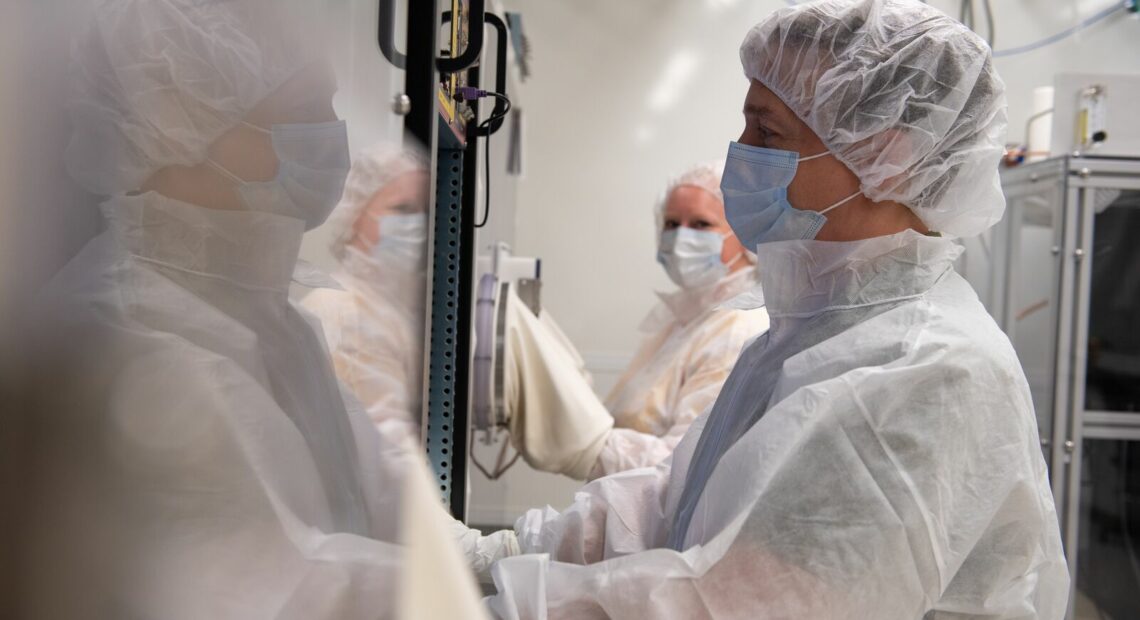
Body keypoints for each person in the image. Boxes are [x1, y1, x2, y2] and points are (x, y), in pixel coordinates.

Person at [481, 1, 1070, 617]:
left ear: (887, 154)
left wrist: (488, 601)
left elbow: (727, 604)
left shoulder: (923, 372)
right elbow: (677, 506)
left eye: (767, 132)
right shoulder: (810, 332)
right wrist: (505, 551)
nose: (741, 152)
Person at [24, 1, 489, 617]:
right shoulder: (112, 340)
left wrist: (522, 556)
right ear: (176, 127)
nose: (332, 139)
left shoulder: (275, 325)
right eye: (300, 115)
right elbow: (294, 591)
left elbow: (386, 508)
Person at [590, 162, 769, 478]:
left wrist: (586, 447)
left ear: (744, 232)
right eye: (671, 223)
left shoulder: (738, 328)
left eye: (701, 224)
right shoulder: (684, 322)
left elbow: (682, 463)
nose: (681, 237)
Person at [301, 144, 429, 445]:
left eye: (427, 212)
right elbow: (384, 457)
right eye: (403, 209)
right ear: (355, 215)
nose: (418, 224)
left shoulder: (391, 310)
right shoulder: (344, 313)